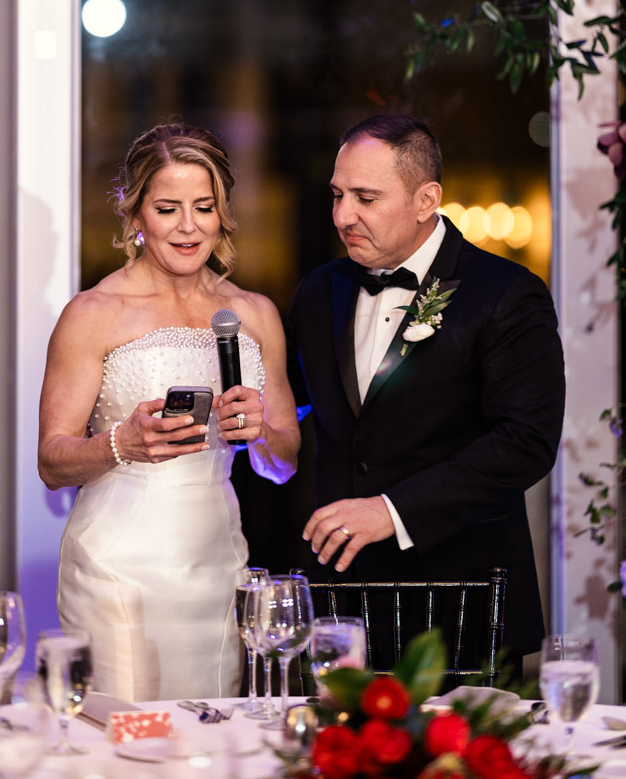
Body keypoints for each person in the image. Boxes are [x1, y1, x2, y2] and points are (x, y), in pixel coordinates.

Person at [285, 114, 565, 674]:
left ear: (425, 199)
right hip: (343, 612)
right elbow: (307, 406)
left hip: (464, 603)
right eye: (338, 195)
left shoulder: (507, 294)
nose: (343, 216)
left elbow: (525, 443)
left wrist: (391, 511)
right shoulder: (320, 292)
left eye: (366, 197)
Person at [38, 122, 300, 701]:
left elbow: (282, 464)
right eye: (167, 208)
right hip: (115, 566)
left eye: (203, 207)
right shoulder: (93, 313)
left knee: (212, 741)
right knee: (125, 744)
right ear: (136, 216)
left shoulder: (253, 315)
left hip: (218, 565)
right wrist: (120, 444)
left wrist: (258, 435)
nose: (188, 226)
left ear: (223, 214)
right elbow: (52, 461)